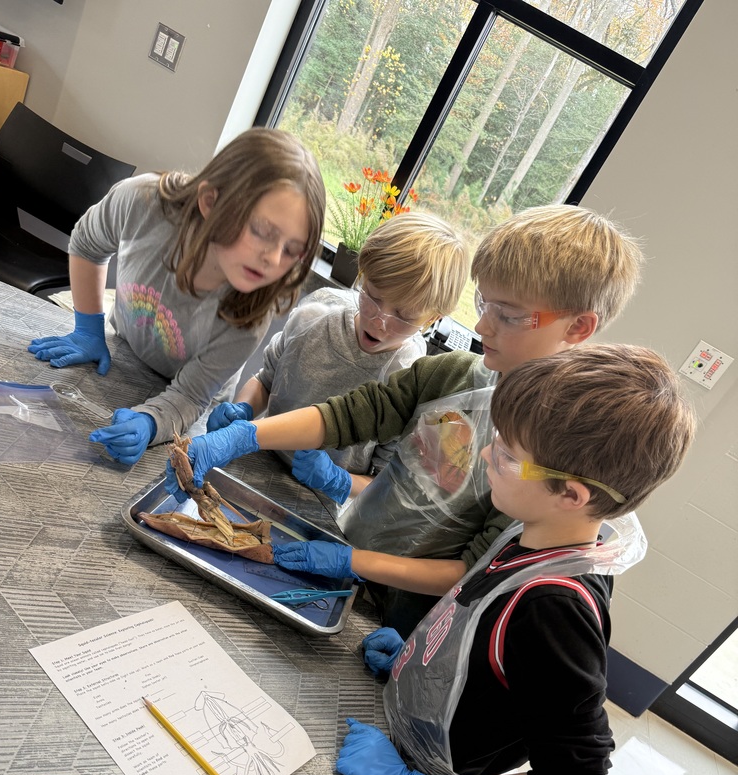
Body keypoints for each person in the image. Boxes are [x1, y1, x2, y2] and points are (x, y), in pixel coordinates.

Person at [260, 343, 696, 775]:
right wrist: (417, 653)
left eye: (507, 449)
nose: (487, 453)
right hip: (410, 730)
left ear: (573, 493)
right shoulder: (535, 526)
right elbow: (479, 622)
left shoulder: (554, 609)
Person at [165, 205, 643, 634]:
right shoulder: (451, 376)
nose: (481, 327)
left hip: (407, 613)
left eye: (509, 315)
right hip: (345, 541)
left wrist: (355, 562)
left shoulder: (544, 453)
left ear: (578, 327)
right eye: (483, 305)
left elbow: (474, 567)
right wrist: (244, 435)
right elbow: (353, 414)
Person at [27, 127, 326, 464]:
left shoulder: (253, 310)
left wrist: (151, 423)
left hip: (189, 406)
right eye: (261, 231)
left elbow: (190, 395)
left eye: (292, 250)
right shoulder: (142, 201)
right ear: (211, 201)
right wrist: (87, 327)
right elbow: (86, 242)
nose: (273, 258)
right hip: (124, 353)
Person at [205, 211, 468, 506]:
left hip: (318, 501)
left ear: (433, 318)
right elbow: (266, 380)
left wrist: (336, 479)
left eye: (404, 316)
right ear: (363, 275)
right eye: (372, 296)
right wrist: (243, 409)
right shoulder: (315, 316)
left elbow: (384, 481)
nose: (379, 321)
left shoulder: (409, 380)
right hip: (258, 457)